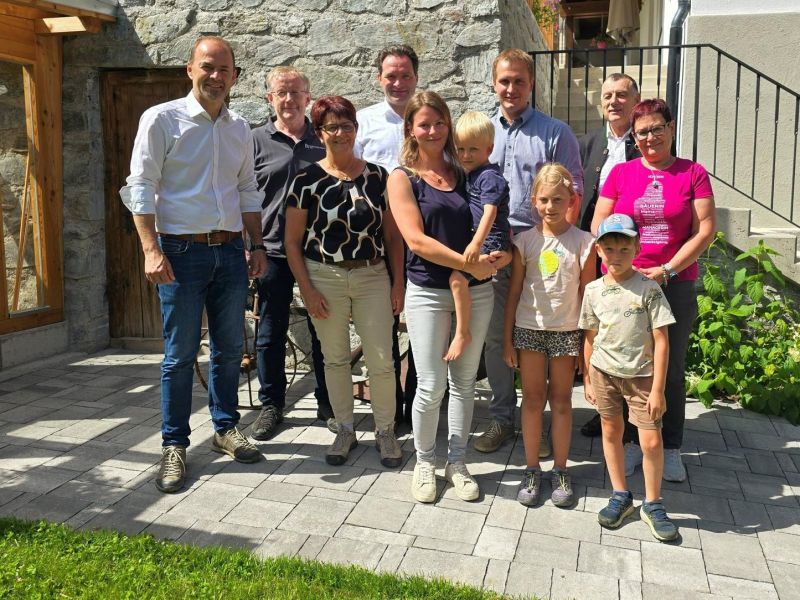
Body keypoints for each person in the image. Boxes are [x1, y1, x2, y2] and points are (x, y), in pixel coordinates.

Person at [120, 36, 267, 494]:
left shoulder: (240, 128)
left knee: (229, 349)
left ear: (234, 76)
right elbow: (141, 186)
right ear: (190, 69)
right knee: (180, 355)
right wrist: (150, 249)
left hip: (230, 251)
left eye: (224, 69)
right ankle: (174, 445)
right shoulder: (161, 119)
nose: (216, 76)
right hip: (180, 253)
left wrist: (258, 244)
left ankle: (225, 428)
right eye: (207, 67)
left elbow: (246, 189)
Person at [387, 92, 510, 503]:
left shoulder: (466, 170)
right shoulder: (403, 178)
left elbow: (497, 222)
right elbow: (416, 241)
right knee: (430, 383)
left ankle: (457, 461)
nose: (433, 131)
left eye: (440, 122)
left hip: (477, 292)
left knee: (464, 382)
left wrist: (501, 257)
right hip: (428, 292)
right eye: (424, 124)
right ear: (411, 129)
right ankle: (425, 462)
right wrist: (468, 264)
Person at [591, 98, 716, 482]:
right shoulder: (621, 174)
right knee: (625, 364)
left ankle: (670, 446)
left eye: (657, 128)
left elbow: (705, 229)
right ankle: (633, 441)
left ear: (671, 128)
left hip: (673, 283)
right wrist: (623, 268)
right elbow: (599, 222)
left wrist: (666, 270)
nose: (649, 138)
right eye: (641, 132)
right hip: (624, 285)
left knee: (670, 367)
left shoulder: (693, 173)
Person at [284, 96, 405, 468]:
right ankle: (345, 429)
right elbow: (292, 242)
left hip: (372, 275)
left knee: (382, 359)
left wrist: (397, 283)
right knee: (335, 359)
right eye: (332, 127)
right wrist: (307, 289)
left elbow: (393, 237)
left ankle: (385, 431)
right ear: (319, 133)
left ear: (356, 128)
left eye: (346, 125)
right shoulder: (306, 180)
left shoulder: (379, 177)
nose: (340, 133)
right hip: (324, 276)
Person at [475, 48, 584, 455]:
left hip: (540, 253)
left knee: (544, 331)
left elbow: (574, 191)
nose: (511, 88)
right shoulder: (482, 130)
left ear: (531, 84)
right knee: (496, 337)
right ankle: (503, 418)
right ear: (493, 83)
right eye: (504, 81)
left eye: (519, 81)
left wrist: (554, 244)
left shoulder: (556, 132)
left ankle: (541, 419)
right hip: (494, 253)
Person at [580, 213, 679, 541]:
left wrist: (658, 390)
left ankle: (653, 503)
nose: (616, 256)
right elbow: (590, 337)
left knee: (651, 441)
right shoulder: (593, 291)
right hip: (604, 375)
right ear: (598, 250)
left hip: (642, 378)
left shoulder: (649, 289)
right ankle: (620, 494)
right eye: (609, 249)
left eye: (624, 248)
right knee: (611, 432)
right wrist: (588, 377)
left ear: (637, 248)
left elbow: (662, 341)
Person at [250, 66, 336, 441]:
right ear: (270, 98)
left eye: (295, 92)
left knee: (324, 329)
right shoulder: (254, 141)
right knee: (270, 332)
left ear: (308, 98)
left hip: (318, 251)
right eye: (281, 93)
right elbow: (243, 195)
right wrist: (250, 245)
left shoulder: (323, 140)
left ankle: (328, 402)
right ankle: (272, 405)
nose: (289, 100)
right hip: (271, 251)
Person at [502, 164, 595, 508]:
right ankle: (531, 469)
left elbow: (587, 297)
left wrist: (586, 346)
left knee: (561, 401)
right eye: (543, 199)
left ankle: (560, 469)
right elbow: (514, 292)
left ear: (571, 199)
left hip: (566, 332)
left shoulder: (584, 243)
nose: (550, 206)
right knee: (531, 399)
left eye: (558, 199)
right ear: (534, 201)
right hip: (529, 330)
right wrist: (508, 338)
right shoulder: (524, 241)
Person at [354, 44, 421, 424]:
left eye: (405, 75)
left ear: (416, 77)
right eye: (391, 76)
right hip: (377, 239)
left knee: (423, 323)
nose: (398, 83)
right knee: (384, 325)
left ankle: (416, 402)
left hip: (422, 237)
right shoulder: (363, 122)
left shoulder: (428, 118)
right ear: (379, 78)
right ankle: (391, 405)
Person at [578, 73, 641, 438]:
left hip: (630, 253)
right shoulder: (587, 144)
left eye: (621, 95)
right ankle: (605, 408)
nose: (614, 102)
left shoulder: (645, 143)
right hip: (595, 252)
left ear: (635, 101)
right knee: (600, 331)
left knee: (628, 332)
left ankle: (634, 415)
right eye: (607, 96)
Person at [447, 111, 511, 362]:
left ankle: (463, 333)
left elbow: (490, 213)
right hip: (482, 238)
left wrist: (476, 243)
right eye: (460, 149)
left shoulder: (489, 177)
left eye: (473, 149)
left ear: (489, 149)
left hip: (490, 239)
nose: (465, 155)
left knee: (457, 279)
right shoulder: (472, 173)